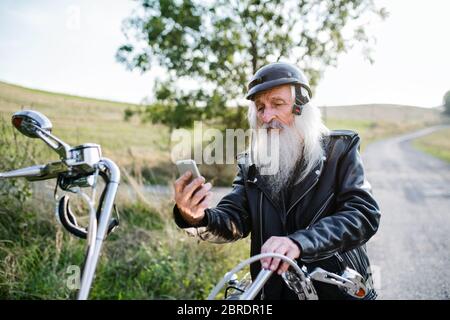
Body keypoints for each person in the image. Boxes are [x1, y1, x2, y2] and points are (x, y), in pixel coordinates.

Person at [173, 62, 381, 300]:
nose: (267, 116)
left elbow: (363, 215)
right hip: (272, 292)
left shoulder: (340, 149)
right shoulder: (253, 163)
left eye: (277, 104)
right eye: (260, 107)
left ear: (300, 106)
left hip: (336, 291)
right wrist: (196, 217)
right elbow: (234, 220)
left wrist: (301, 242)